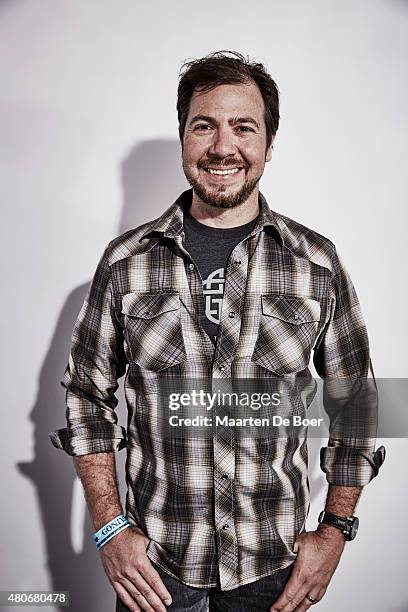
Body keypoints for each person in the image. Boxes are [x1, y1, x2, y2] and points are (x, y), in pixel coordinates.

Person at [49, 51, 385, 612]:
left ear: (268, 144)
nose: (222, 146)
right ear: (183, 136)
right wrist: (110, 528)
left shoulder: (317, 264)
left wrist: (335, 532)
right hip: (155, 572)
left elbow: (361, 404)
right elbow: (86, 395)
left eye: (243, 127)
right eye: (204, 125)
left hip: (273, 570)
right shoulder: (126, 261)